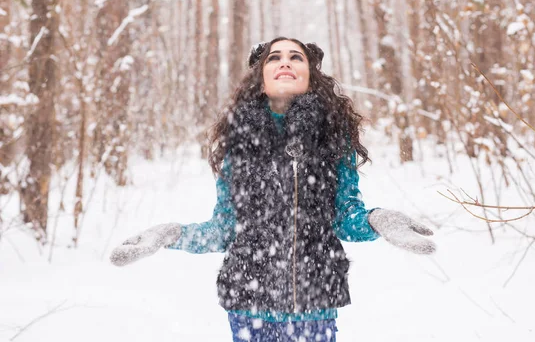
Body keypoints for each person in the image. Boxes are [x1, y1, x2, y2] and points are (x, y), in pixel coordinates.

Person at [110, 37, 436, 342]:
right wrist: (172, 235)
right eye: (274, 58)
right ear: (260, 76)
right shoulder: (238, 141)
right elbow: (224, 229)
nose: (285, 62)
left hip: (315, 299)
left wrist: (377, 220)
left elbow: (344, 218)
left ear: (311, 75)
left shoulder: (334, 137)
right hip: (248, 302)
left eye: (296, 57)